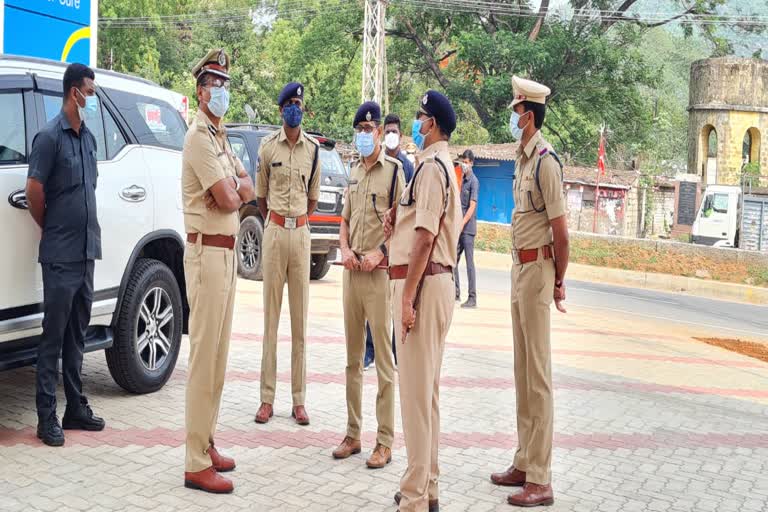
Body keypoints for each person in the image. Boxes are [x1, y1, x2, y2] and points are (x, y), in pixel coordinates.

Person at [489, 76, 569, 508]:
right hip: (521, 268)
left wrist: (558, 280)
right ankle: (524, 460)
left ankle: (541, 478)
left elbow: (561, 231)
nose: (512, 116)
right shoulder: (523, 160)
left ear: (530, 116)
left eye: (516, 111)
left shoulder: (546, 162)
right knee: (522, 373)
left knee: (538, 377)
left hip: (539, 269)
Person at [182, 49, 254, 494]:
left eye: (225, 83)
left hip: (226, 254)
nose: (221, 90)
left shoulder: (221, 136)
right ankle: (193, 461)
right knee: (203, 359)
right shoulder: (198, 138)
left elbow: (247, 187)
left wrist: (232, 189)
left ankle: (207, 442)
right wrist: (230, 190)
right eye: (214, 83)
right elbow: (230, 199)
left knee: (219, 360)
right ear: (200, 89)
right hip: (207, 253)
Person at [386, 90, 461, 512]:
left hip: (424, 286)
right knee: (426, 395)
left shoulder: (432, 167)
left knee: (414, 398)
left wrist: (407, 297)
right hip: (433, 285)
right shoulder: (438, 167)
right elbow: (416, 227)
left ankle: (413, 497)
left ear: (430, 123)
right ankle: (427, 486)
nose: (414, 124)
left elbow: (425, 237)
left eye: (419, 117)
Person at [26, 63, 105, 448]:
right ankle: (46, 418)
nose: (91, 98)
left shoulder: (87, 139)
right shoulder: (48, 137)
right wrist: (55, 228)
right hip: (60, 254)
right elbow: (34, 193)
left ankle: (76, 407)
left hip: (87, 251)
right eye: (89, 91)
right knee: (53, 336)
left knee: (78, 333)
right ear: (74, 91)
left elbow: (89, 191)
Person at [332, 101, 404, 469]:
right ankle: (352, 433)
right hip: (351, 272)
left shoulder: (394, 173)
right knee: (352, 359)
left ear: (380, 133)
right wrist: (344, 248)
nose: (364, 135)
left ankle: (385, 440)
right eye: (359, 129)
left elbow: (403, 227)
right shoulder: (354, 172)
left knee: (384, 363)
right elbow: (344, 219)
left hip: (377, 275)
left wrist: (380, 252)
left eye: (369, 129)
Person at [255, 82, 321, 426]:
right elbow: (260, 196)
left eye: (299, 103)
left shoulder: (313, 149)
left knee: (300, 322)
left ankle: (298, 400)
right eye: (290, 104)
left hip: (302, 234)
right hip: (275, 231)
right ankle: (267, 398)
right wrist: (277, 220)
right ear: (281, 110)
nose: (295, 108)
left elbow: (312, 197)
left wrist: (297, 219)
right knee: (271, 320)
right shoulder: (268, 148)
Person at [363, 112, 413, 370]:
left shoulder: (407, 167)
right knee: (373, 300)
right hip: (377, 246)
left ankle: (395, 352)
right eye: (388, 131)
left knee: (395, 299)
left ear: (401, 135)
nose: (391, 135)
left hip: (398, 246)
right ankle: (370, 350)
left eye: (395, 131)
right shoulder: (373, 162)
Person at [454, 149, 480, 308]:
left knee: (469, 263)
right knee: (452, 260)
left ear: (472, 163)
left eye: (467, 162)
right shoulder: (462, 179)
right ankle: (455, 292)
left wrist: (462, 223)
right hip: (459, 227)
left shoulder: (474, 181)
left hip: (468, 229)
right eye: (463, 161)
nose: (464, 165)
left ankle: (472, 298)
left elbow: (472, 206)